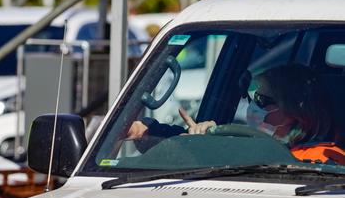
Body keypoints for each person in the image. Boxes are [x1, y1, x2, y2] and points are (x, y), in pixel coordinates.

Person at [127, 63, 345, 164]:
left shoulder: (326, 161)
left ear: (295, 113)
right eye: (253, 97)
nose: (252, 106)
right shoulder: (244, 143)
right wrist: (198, 141)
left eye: (262, 100)